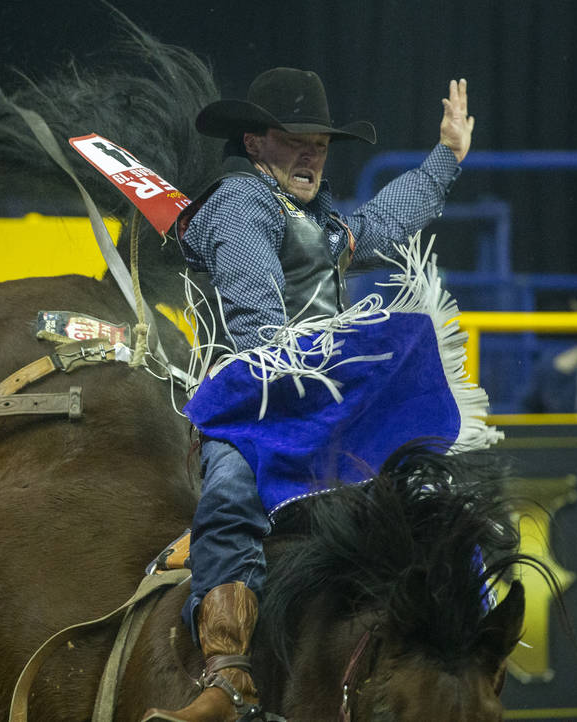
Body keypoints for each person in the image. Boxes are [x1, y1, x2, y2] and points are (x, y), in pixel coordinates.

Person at [146, 69, 474, 721]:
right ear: (255, 143)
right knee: (234, 489)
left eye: (319, 143)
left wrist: (447, 156)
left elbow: (383, 219)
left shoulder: (314, 219)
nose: (310, 155)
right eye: (293, 140)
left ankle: (459, 652)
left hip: (320, 406)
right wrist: (336, 383)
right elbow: (260, 329)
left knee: (432, 497)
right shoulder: (240, 205)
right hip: (253, 407)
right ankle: (226, 672)